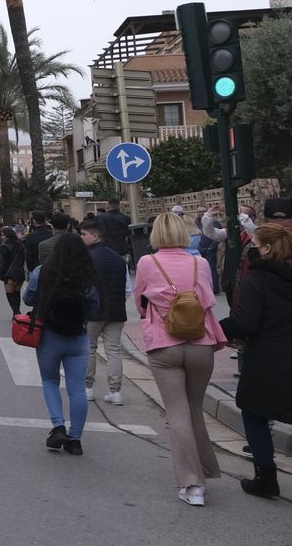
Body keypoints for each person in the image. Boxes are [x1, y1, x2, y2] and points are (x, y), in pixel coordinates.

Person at [132, 211, 228, 506]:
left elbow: (139, 300)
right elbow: (209, 300)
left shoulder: (148, 262)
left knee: (177, 411)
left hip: (164, 345)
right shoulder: (199, 262)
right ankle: (206, 471)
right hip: (200, 342)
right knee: (195, 408)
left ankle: (191, 484)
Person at [220, 224, 292, 498]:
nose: (251, 248)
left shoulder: (258, 280)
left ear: (267, 249)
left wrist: (215, 330)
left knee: (254, 413)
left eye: (255, 243)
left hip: (268, 359)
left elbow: (245, 321)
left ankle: (265, 476)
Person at [23, 220, 103, 455]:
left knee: (49, 381)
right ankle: (75, 439)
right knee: (77, 388)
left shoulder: (43, 270)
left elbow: (29, 299)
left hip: (49, 335)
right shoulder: (86, 275)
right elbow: (95, 308)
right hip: (77, 336)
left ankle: (58, 425)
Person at [82, 220, 129, 407]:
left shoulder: (86, 259)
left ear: (95, 236)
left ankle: (88, 389)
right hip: (116, 310)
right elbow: (127, 289)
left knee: (89, 347)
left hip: (93, 311)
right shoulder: (119, 259)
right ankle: (115, 391)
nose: (81, 237)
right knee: (114, 350)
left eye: (84, 234)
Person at [0, 227, 26, 315]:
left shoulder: (5, 246)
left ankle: (16, 312)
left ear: (8, 236)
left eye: (3, 235)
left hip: (9, 273)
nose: (2, 237)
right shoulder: (21, 244)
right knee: (17, 293)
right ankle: (16, 314)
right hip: (20, 271)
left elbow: (2, 261)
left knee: (9, 294)